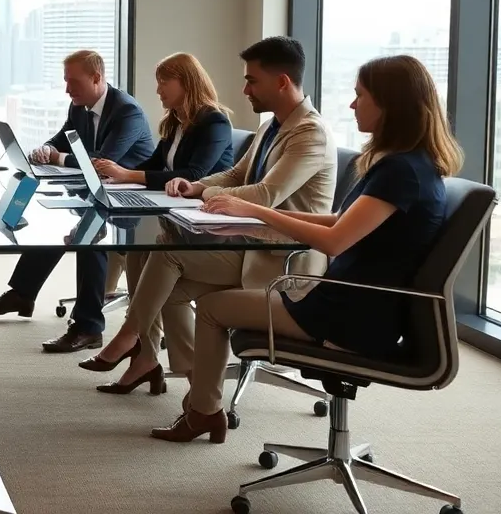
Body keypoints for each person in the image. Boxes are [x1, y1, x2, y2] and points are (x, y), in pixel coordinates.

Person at [148, 54, 462, 443]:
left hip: (349, 314)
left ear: (389, 104)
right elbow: (337, 221)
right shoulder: (407, 165)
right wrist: (257, 214)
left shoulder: (400, 172)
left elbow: (334, 240)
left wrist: (255, 210)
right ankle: (202, 407)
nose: (352, 105)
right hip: (351, 302)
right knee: (193, 290)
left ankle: (203, 413)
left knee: (212, 309)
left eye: (359, 96)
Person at [80, 36, 335, 397]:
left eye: (252, 80)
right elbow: (235, 175)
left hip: (283, 260)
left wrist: (210, 193)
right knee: (162, 274)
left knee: (165, 256)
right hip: (248, 244)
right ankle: (194, 385)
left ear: (281, 81)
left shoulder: (310, 133)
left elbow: (266, 194)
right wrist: (194, 185)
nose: (244, 89)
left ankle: (131, 337)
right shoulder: (272, 126)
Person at [0, 50, 155, 354]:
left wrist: (59, 158)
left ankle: (88, 327)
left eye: (73, 82)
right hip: (101, 195)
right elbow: (61, 139)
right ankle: (22, 292)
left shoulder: (127, 112)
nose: (67, 89)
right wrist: (46, 148)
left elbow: (102, 162)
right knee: (53, 224)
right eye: (65, 81)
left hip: (134, 205)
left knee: (89, 238)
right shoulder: (80, 107)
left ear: (97, 78)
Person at [88, 52, 236, 345]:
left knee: (147, 253)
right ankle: (146, 352)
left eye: (164, 82)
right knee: (134, 249)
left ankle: (137, 342)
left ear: (186, 82)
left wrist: (127, 176)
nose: (158, 90)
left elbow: (194, 173)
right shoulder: (176, 122)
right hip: (174, 213)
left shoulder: (214, 122)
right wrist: (118, 174)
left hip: (206, 222)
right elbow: (155, 165)